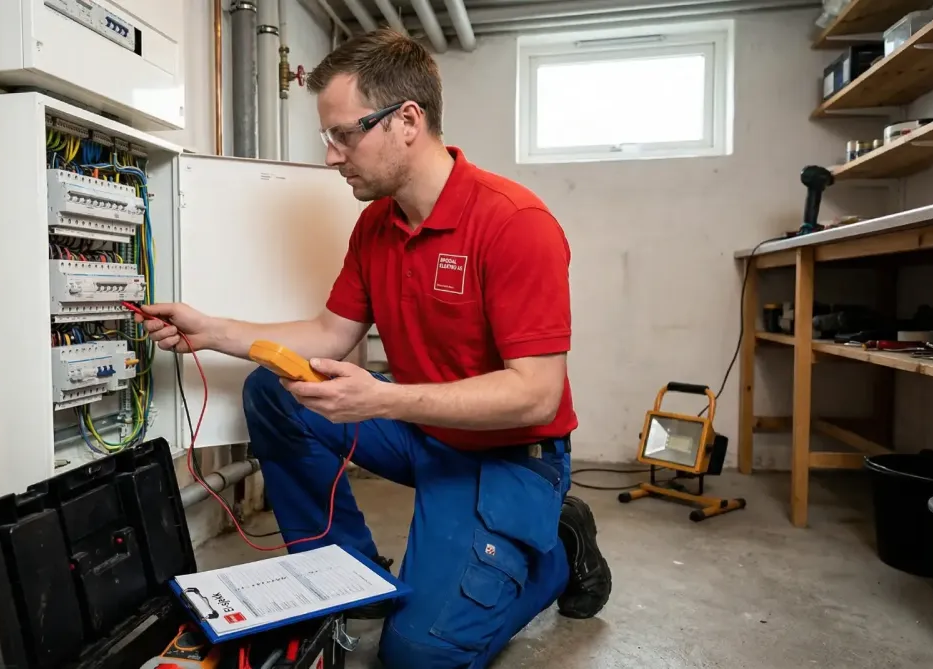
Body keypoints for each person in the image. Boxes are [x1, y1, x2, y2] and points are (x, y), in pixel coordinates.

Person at [137, 28, 611, 669]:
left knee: (418, 659)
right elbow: (330, 334)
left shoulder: (514, 224)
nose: (332, 156)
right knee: (275, 390)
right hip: (424, 432)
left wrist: (383, 400)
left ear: (407, 121)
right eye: (327, 136)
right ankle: (346, 579)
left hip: (509, 457)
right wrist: (212, 330)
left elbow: (536, 394)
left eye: (344, 134)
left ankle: (556, 548)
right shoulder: (376, 226)